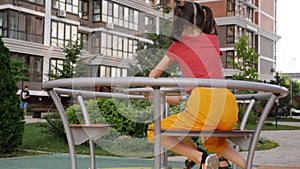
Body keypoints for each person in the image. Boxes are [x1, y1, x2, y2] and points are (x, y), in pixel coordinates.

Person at [146, 1, 257, 169]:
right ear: (202, 18)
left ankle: (200, 158)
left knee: (155, 131)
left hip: (203, 103)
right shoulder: (213, 40)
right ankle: (249, 167)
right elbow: (180, 97)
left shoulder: (177, 46)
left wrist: (149, 87)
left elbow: (154, 74)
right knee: (215, 143)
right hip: (227, 104)